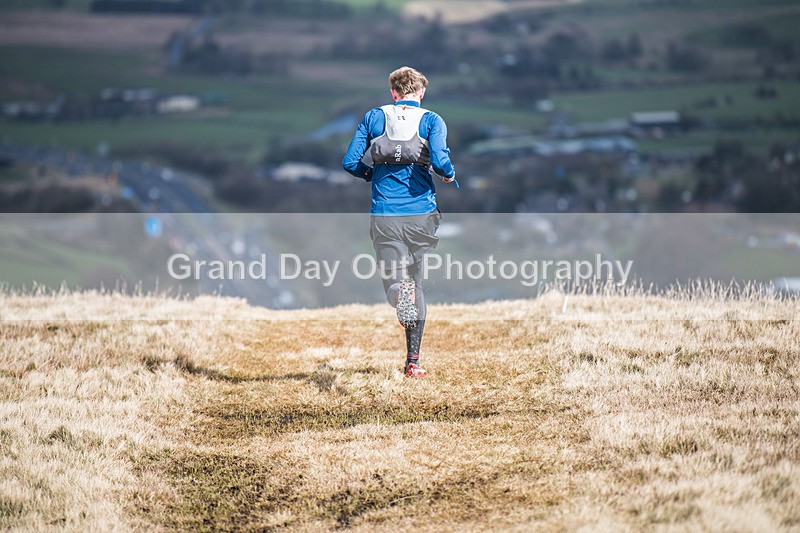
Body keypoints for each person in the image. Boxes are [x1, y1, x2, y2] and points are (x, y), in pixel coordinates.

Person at [342, 66, 456, 379]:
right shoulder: (432, 120)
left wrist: (371, 174)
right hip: (421, 216)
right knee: (416, 284)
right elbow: (442, 161)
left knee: (393, 282)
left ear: (393, 92)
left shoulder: (374, 117)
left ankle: (399, 291)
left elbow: (350, 161)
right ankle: (413, 363)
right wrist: (448, 174)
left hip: (385, 216)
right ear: (421, 93)